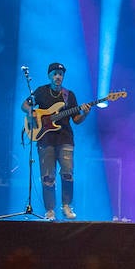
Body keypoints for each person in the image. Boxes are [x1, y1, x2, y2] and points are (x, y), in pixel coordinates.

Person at [22, 61, 90, 220]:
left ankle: (66, 206)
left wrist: (85, 113)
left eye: (61, 74)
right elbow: (24, 104)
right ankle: (50, 210)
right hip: (45, 139)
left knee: (67, 173)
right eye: (55, 74)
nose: (58, 77)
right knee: (47, 176)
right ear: (49, 76)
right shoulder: (40, 91)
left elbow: (76, 119)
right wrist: (31, 112)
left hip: (65, 139)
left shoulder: (69, 95)